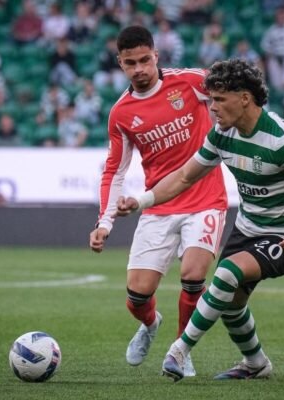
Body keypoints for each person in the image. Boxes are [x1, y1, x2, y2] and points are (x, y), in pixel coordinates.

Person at [115, 59, 284, 381]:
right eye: (211, 99)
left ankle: (179, 351)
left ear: (244, 98)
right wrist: (141, 200)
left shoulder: (282, 140)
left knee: (227, 273)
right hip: (246, 229)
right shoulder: (222, 133)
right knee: (231, 303)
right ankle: (256, 363)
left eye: (219, 99)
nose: (212, 107)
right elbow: (185, 177)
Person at [88, 26, 228, 377]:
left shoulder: (191, 82)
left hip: (206, 198)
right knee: (137, 294)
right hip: (159, 205)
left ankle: (181, 350)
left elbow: (231, 92)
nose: (139, 69)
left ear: (156, 56)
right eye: (130, 63)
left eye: (144, 60)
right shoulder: (121, 113)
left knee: (193, 275)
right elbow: (114, 171)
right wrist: (105, 223)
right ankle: (150, 324)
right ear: (120, 64)